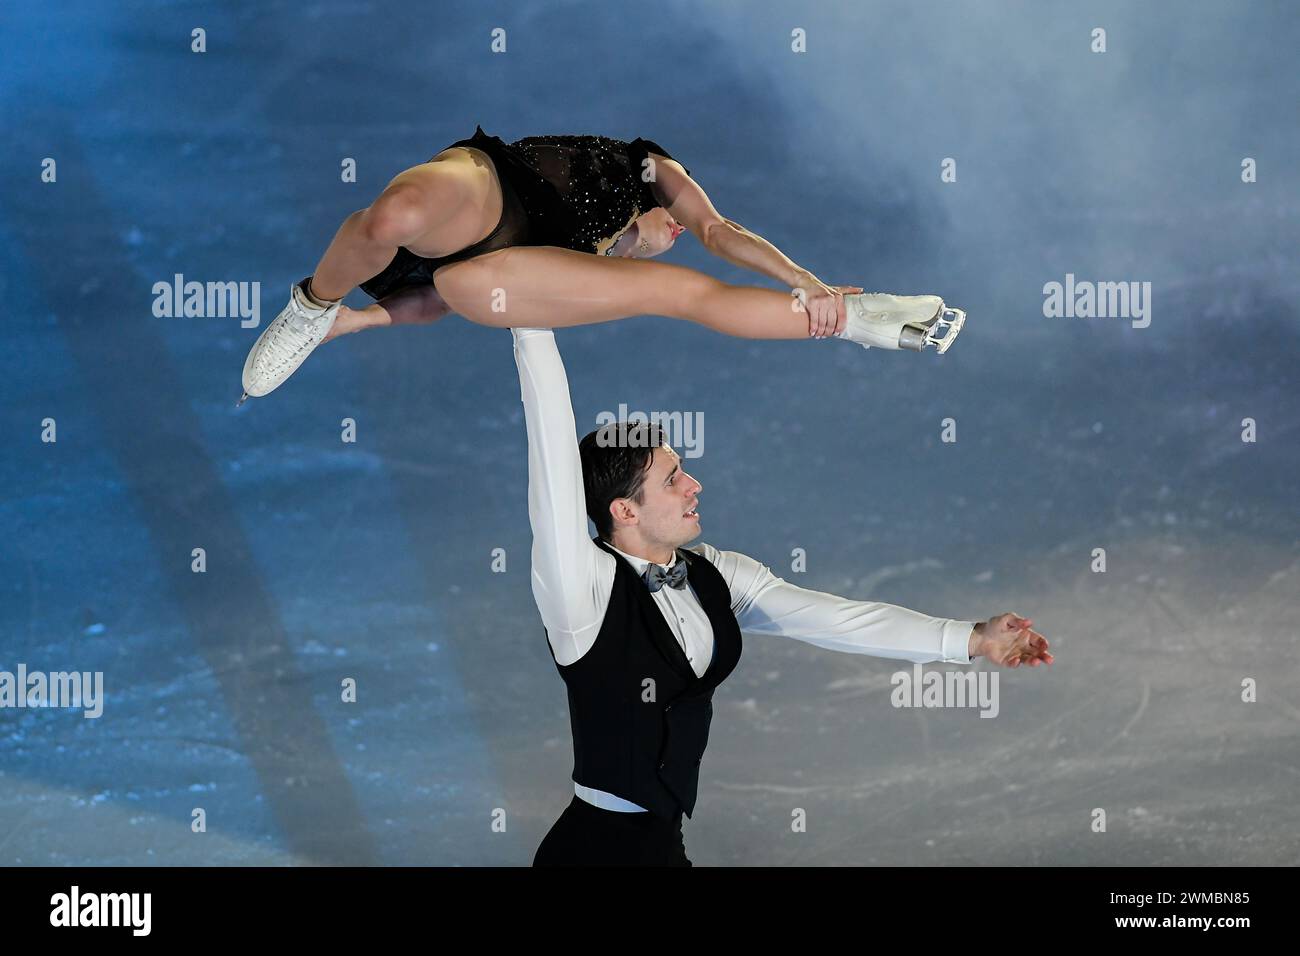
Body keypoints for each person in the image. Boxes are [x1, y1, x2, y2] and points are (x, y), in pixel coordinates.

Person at [510, 325, 1051, 866]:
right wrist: (531, 325)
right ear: (624, 511)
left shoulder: (715, 575)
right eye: (673, 479)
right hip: (590, 854)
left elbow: (838, 620)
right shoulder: (582, 590)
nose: (694, 485)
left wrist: (972, 639)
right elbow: (551, 462)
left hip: (660, 841)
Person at [238, 126, 965, 404]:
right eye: (666, 226)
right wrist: (336, 315)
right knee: (391, 220)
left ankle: (856, 320)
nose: (673, 229)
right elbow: (709, 219)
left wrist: (805, 282)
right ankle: (307, 306)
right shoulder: (649, 170)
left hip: (493, 267)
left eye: (671, 229)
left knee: (681, 296)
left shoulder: (598, 261)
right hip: (499, 191)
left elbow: (715, 234)